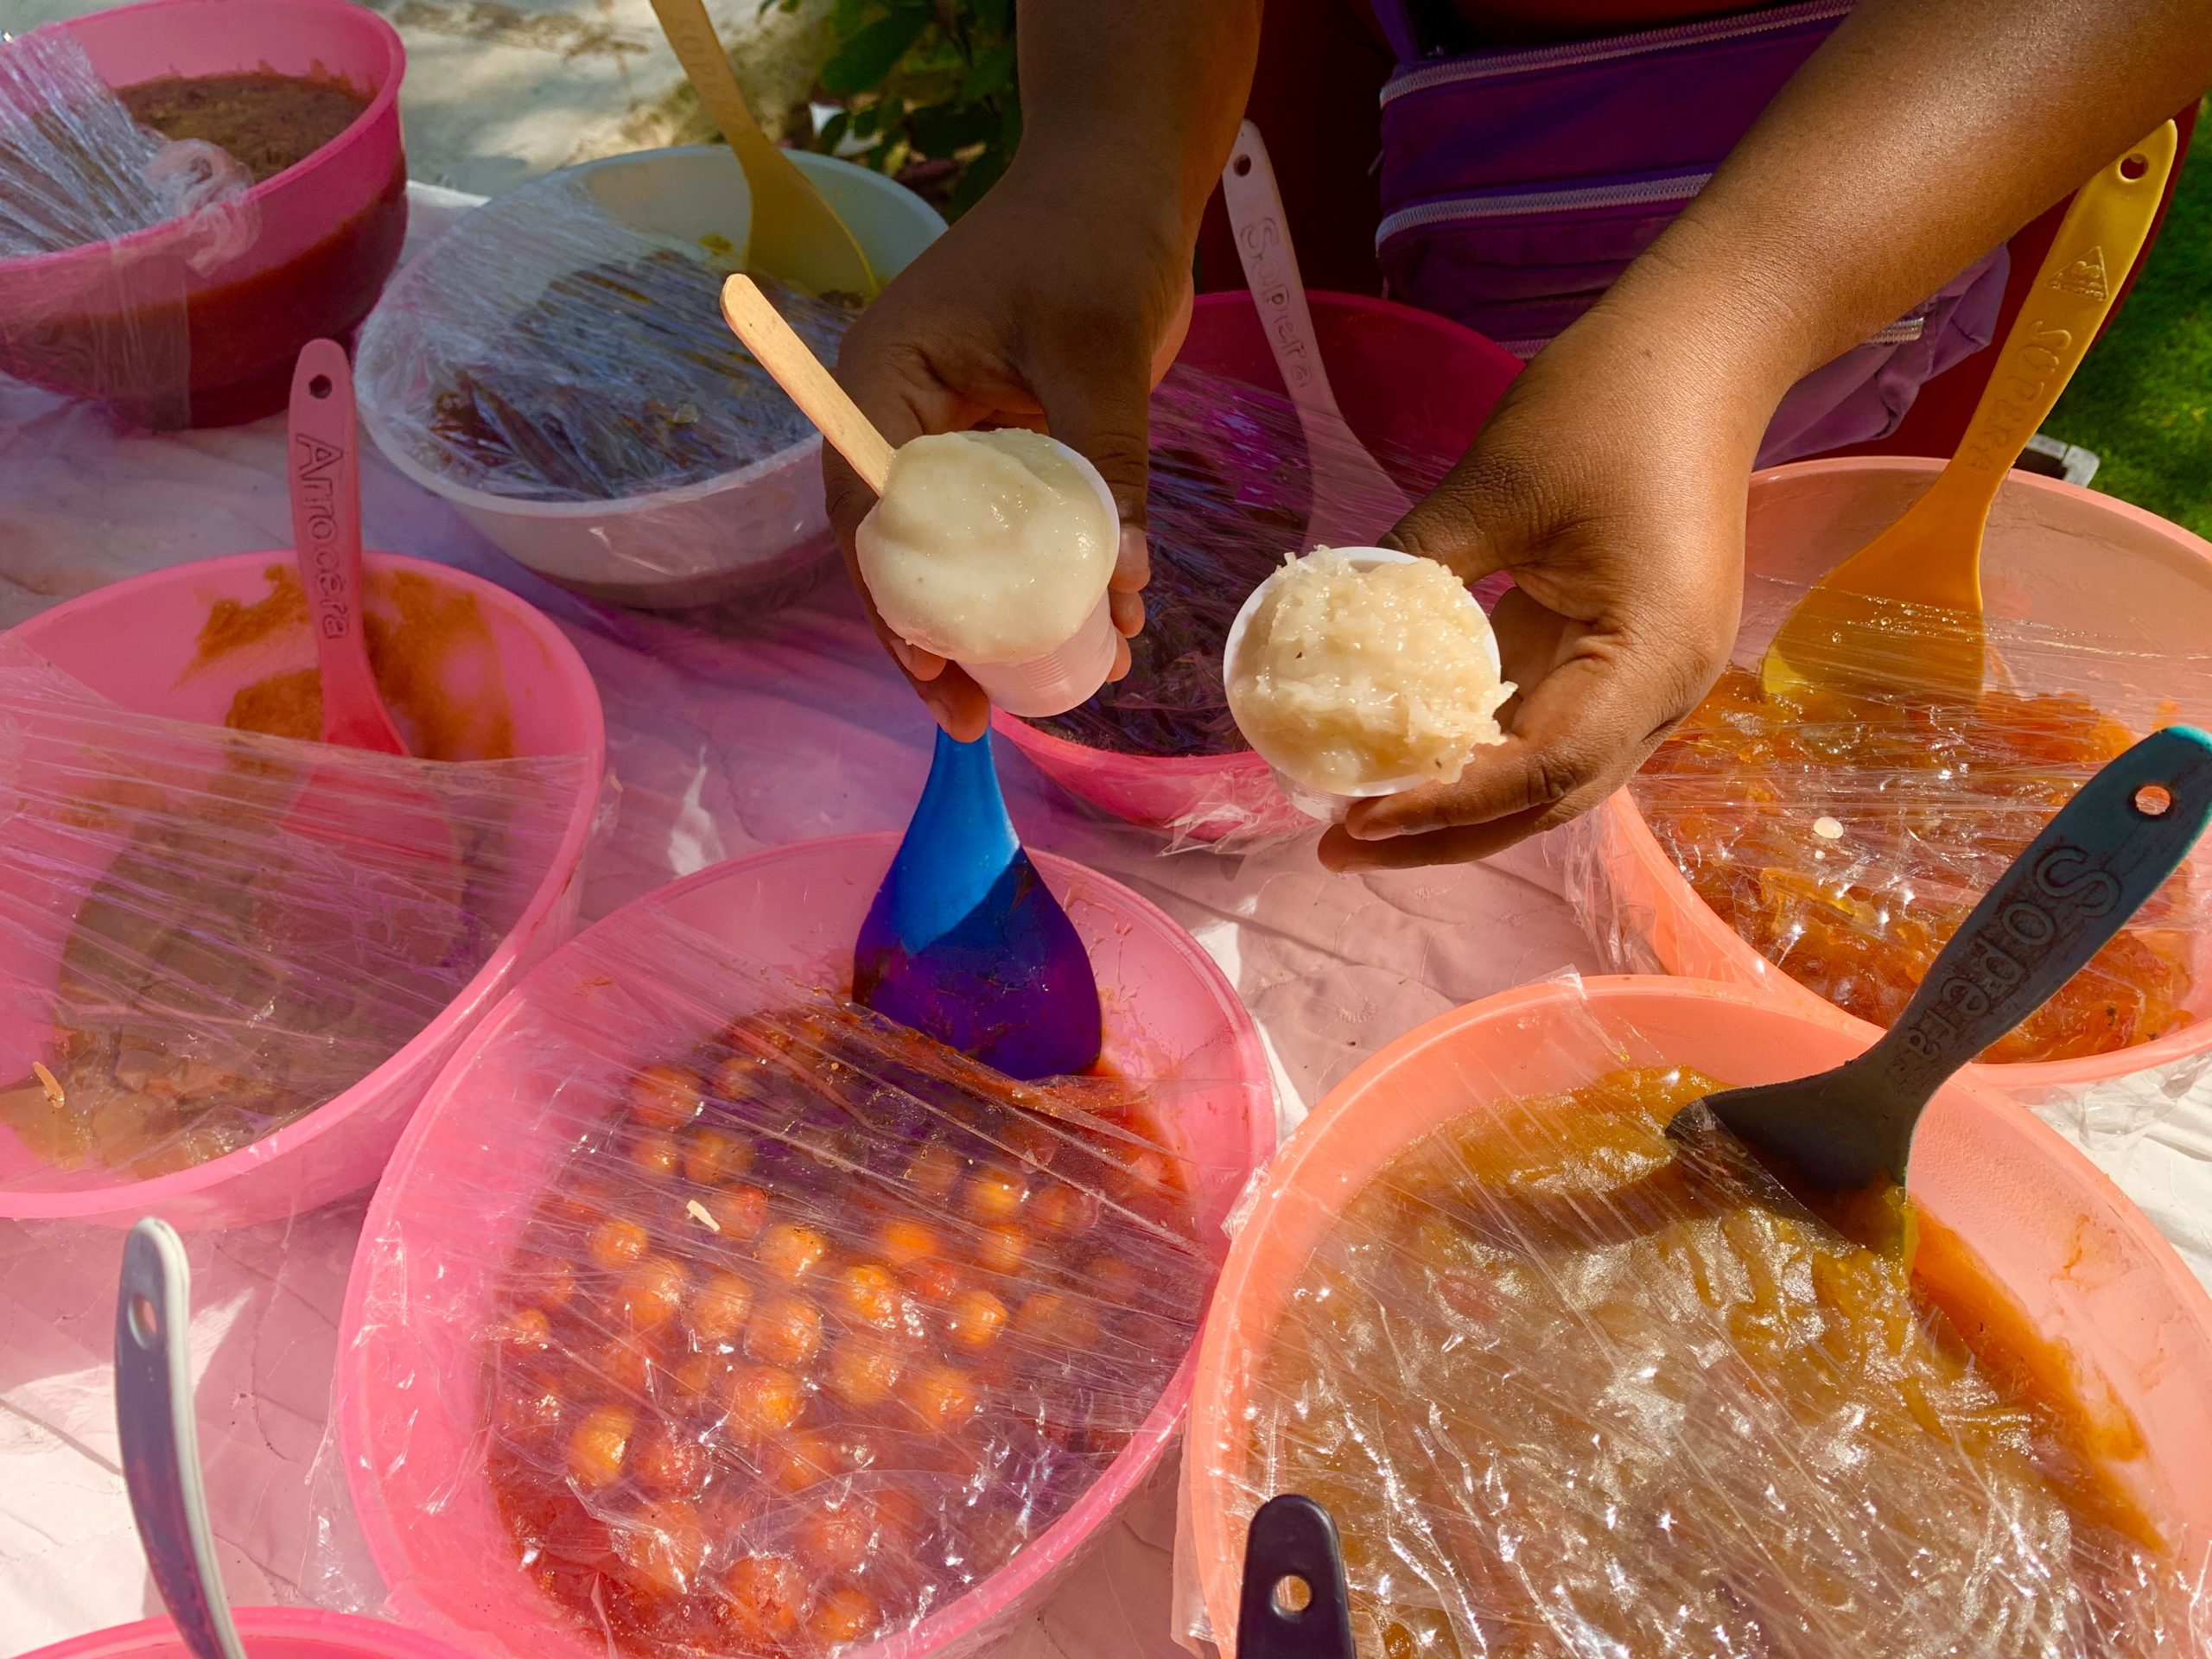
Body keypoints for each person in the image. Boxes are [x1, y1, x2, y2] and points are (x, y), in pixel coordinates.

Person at [823, 0, 2212, 871]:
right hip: (1315, 52)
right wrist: (1107, 154)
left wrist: (1740, 318)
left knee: (1767, 538)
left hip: (1915, 122)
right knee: (1340, 377)